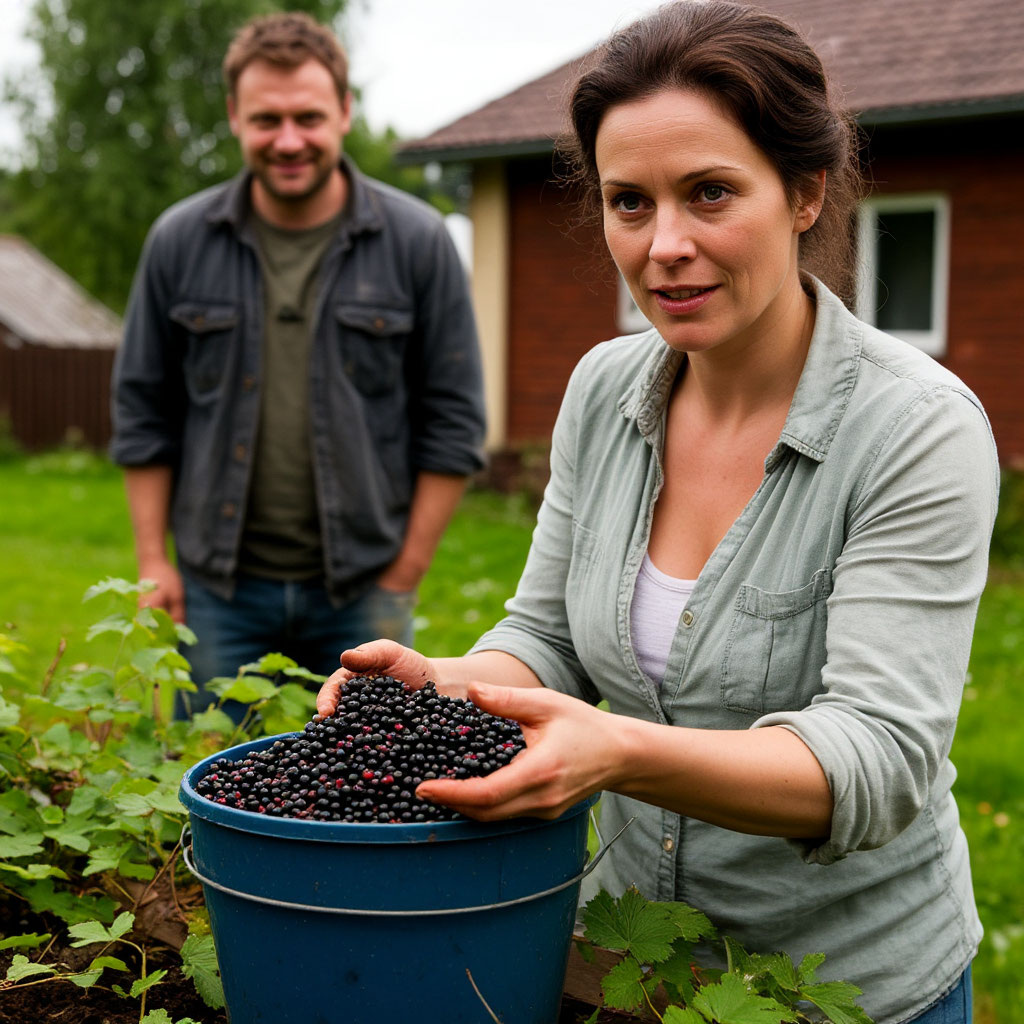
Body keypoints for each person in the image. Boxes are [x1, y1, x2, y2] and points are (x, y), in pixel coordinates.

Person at [316, 3, 997, 1022]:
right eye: (628, 202)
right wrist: (449, 684)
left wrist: (617, 750)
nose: (665, 244)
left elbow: (878, 758)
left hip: (845, 989)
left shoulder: (915, 428)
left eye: (709, 192)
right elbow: (545, 633)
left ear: (804, 193)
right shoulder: (603, 387)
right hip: (628, 965)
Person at [110, 12, 486, 714]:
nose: (288, 141)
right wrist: (152, 562)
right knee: (213, 779)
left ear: (345, 111)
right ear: (233, 117)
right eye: (266, 119)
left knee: (365, 790)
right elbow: (142, 412)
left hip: (363, 587)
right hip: (216, 588)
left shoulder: (417, 242)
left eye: (308, 117)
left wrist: (404, 574)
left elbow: (455, 421)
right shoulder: (179, 241)